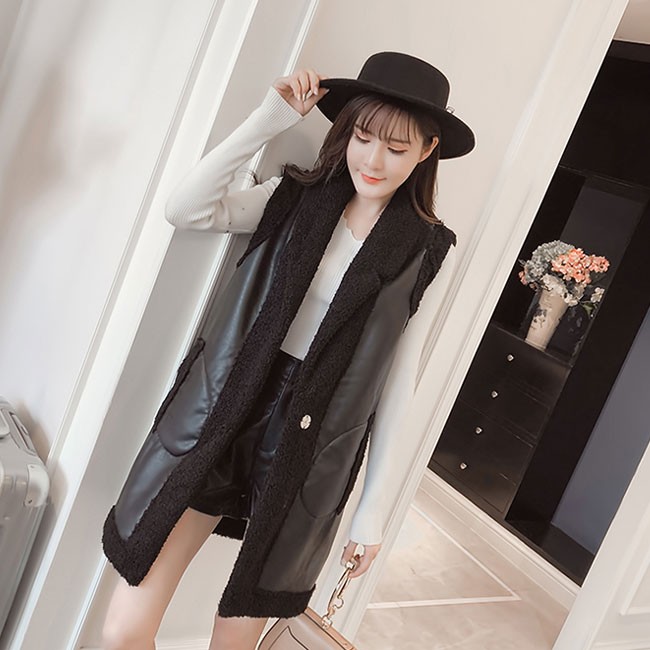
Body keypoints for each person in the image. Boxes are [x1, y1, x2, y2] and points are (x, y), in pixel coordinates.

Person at [101, 51, 475, 650]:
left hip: (314, 436)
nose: (373, 160)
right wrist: (268, 119)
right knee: (124, 630)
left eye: (396, 148)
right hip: (224, 407)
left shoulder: (425, 250)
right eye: (363, 137)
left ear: (427, 151)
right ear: (345, 130)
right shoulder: (294, 196)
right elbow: (186, 209)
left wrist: (372, 510)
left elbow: (397, 379)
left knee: (234, 641)